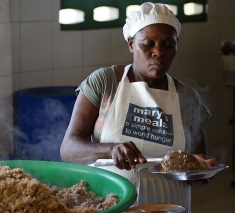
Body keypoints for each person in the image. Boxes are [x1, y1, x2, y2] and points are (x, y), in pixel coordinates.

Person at [60, 2, 215, 211]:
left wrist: (198, 169)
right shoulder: (105, 82)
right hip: (113, 201)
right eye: (148, 44)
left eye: (169, 44)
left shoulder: (187, 98)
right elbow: (68, 149)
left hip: (170, 204)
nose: (158, 52)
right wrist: (110, 149)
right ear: (131, 43)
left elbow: (198, 174)